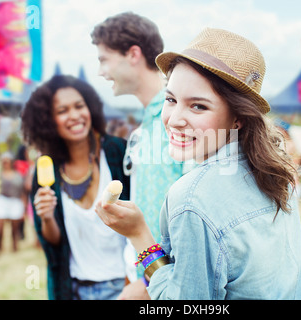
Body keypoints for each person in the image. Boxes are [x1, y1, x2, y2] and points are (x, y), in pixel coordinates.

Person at [95, 28, 301, 299]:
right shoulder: (276, 174)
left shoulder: (191, 199)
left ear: (237, 117)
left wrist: (139, 235)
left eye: (198, 106)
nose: (174, 119)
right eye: (171, 100)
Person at [91, 11, 185, 299]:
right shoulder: (147, 123)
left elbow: (195, 223)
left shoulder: (179, 122)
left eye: (104, 59)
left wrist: (145, 285)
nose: (100, 72)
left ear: (133, 54)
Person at [21, 75, 131, 300]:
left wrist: (136, 282)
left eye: (79, 106)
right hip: (73, 290)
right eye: (62, 111)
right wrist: (47, 216)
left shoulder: (117, 152)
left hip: (124, 287)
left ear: (90, 107)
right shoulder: (47, 170)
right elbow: (54, 242)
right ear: (48, 120)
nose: (74, 116)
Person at [0, 152, 25, 254]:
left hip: (15, 202)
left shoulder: (18, 175)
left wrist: (23, 208)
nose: (5, 162)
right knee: (0, 229)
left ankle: (14, 249)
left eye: (7, 160)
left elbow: (22, 192)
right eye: (3, 160)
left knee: (15, 229)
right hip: (2, 201)